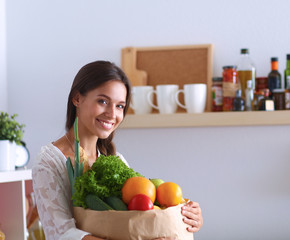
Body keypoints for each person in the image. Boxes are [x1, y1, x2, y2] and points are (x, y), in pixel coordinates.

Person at [32, 60, 203, 240]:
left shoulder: (116, 159)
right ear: (77, 98)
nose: (112, 114)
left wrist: (186, 214)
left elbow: (138, 214)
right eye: (103, 101)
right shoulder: (49, 162)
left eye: (120, 106)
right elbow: (62, 234)